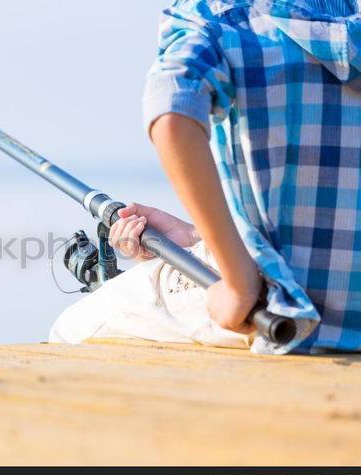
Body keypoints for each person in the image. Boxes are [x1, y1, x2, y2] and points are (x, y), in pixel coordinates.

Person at [50, 0, 361, 354]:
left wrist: (238, 282)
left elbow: (171, 118)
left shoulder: (221, 16)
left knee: (70, 330)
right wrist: (197, 236)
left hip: (283, 311)